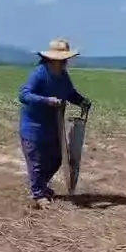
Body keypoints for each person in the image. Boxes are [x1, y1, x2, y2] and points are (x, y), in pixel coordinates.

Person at [19, 38, 91, 208]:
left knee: (58, 158)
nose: (65, 62)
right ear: (51, 59)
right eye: (62, 59)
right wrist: (46, 100)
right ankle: (38, 195)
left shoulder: (63, 76)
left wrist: (82, 101)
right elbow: (24, 95)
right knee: (36, 162)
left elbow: (70, 93)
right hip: (34, 127)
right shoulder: (39, 74)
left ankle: (40, 185)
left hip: (53, 126)